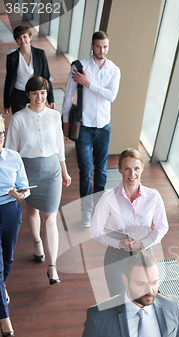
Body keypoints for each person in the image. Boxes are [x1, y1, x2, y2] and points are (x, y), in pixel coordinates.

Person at [6, 76, 71, 285]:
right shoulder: (18, 119)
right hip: (28, 170)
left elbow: (60, 146)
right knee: (32, 210)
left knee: (51, 217)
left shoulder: (54, 116)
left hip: (52, 170)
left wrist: (65, 171)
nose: (39, 97)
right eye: (35, 93)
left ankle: (53, 267)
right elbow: (11, 150)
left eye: (43, 93)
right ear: (28, 95)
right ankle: (37, 243)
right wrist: (12, 179)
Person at [89, 148, 169, 297]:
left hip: (144, 258)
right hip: (116, 261)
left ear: (142, 168)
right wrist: (119, 243)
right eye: (127, 169)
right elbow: (94, 231)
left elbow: (162, 227)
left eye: (136, 168)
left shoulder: (154, 196)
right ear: (119, 169)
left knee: (146, 303)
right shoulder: (108, 198)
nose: (132, 174)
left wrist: (143, 244)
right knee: (121, 306)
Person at [62, 30, 121, 228]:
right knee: (86, 171)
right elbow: (68, 94)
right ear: (92, 46)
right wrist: (65, 120)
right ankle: (86, 212)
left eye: (105, 47)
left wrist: (89, 84)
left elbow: (111, 96)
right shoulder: (79, 67)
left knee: (102, 172)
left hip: (104, 128)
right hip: (84, 128)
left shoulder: (114, 70)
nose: (102, 50)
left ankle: (99, 209)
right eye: (98, 46)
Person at [0, 114, 30, 337]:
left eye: (1, 134)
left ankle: (2, 286)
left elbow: (24, 186)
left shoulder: (13, 157)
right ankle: (5, 317)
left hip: (10, 208)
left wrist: (20, 192)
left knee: (8, 258)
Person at [4, 25, 55, 115]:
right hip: (18, 95)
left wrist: (50, 98)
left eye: (24, 36)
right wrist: (6, 103)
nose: (22, 40)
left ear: (30, 37)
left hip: (35, 94)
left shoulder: (40, 54)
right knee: (20, 121)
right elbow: (8, 81)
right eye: (19, 38)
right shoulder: (12, 58)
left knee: (35, 119)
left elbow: (46, 77)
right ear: (16, 41)